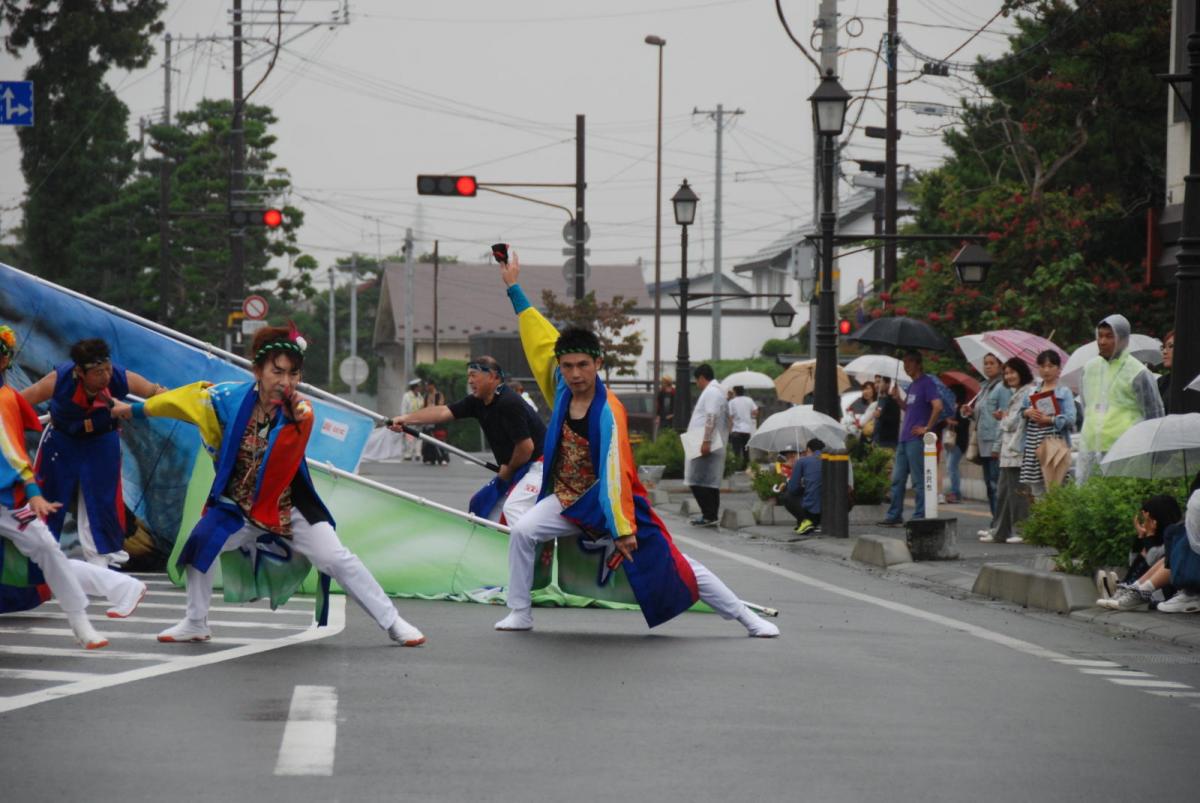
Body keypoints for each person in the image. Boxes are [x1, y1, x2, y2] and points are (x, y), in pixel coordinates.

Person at [493, 252, 778, 637]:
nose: (575, 374)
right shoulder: (561, 387)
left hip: (615, 501)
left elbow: (616, 474)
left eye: (583, 366)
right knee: (524, 531)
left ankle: (747, 617)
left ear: (598, 363)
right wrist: (513, 287)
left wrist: (623, 528)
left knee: (675, 562)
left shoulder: (609, 411)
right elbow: (540, 336)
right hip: (567, 497)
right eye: (568, 366)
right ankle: (520, 611)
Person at [113, 324, 426, 646]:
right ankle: (195, 621)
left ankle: (394, 622)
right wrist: (131, 409)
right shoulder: (225, 399)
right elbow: (180, 402)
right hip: (238, 505)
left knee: (335, 558)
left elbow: (291, 440)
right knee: (199, 545)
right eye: (278, 371)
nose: (286, 382)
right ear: (257, 370)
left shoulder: (300, 411)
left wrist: (294, 421)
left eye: (294, 374)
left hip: (288, 505)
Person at [0, 326, 111, 649]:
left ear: (5, 361)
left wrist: (32, 491)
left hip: (8, 498)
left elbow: (11, 450)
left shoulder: (5, 399)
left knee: (48, 549)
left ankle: (81, 623)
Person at [20, 338, 167, 568]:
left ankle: (100, 562)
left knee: (101, 501)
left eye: (107, 369)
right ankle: (37, 562)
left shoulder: (119, 376)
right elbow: (19, 402)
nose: (106, 376)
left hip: (101, 439)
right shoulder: (60, 379)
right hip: (62, 439)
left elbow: (156, 392)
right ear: (80, 371)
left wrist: (183, 400)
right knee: (48, 496)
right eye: (98, 372)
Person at [389, 355, 546, 527]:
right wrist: (406, 419)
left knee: (513, 509)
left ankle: (538, 552)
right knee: (485, 510)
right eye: (468, 376)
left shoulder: (508, 403)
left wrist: (508, 470)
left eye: (474, 375)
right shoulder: (477, 402)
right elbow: (443, 412)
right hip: (518, 466)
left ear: (493, 376)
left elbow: (526, 447)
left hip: (539, 466)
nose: (470, 381)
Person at [1077, 314, 1164, 482]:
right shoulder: (1089, 369)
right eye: (1100, 335)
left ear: (1124, 340)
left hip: (1125, 450)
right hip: (1090, 447)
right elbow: (1086, 408)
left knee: (1119, 498)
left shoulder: (1138, 372)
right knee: (1088, 500)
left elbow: (1153, 414)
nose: (1102, 341)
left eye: (1109, 336)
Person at [878, 352, 943, 526]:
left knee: (918, 480)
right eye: (904, 362)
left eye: (909, 362)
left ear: (918, 364)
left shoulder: (927, 383)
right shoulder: (913, 385)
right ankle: (894, 515)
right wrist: (898, 399)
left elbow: (937, 406)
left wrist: (927, 428)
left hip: (916, 439)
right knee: (897, 479)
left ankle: (920, 514)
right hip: (904, 438)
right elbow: (910, 409)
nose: (906, 366)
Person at [981, 358, 1036, 543]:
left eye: (1012, 372)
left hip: (1017, 450)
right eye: (1006, 373)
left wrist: (1003, 418)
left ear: (1022, 372)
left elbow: (1013, 422)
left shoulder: (1027, 392)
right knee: (1004, 492)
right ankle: (1000, 531)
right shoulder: (1017, 393)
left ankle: (1022, 531)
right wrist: (1005, 417)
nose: (1009, 376)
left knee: (1017, 493)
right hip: (1009, 450)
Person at [1095, 495, 1181, 608]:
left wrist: (1149, 536)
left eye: (1146, 520)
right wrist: (1140, 537)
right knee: (1143, 555)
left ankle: (1119, 591)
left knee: (1154, 559)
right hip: (1145, 589)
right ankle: (1121, 590)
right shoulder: (1155, 539)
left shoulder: (1174, 538)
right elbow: (1132, 561)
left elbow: (1152, 560)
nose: (1144, 524)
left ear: (1155, 521)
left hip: (1162, 594)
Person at [960, 353, 1010, 526]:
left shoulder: (1003, 387)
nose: (988, 366)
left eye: (992, 363)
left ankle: (999, 523)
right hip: (983, 440)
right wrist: (970, 413)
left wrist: (999, 443)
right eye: (985, 363)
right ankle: (995, 520)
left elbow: (1004, 416)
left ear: (1001, 365)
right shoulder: (984, 387)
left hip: (995, 441)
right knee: (989, 485)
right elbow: (984, 414)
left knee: (996, 484)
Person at [1018, 350, 1075, 499]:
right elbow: (1021, 412)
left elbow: (1071, 419)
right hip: (1033, 446)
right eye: (1042, 366)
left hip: (1054, 445)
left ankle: (1054, 522)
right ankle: (1042, 522)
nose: (1046, 370)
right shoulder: (1032, 391)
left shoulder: (1064, 392)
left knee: (1056, 490)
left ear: (1058, 369)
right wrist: (1027, 412)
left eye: (1050, 366)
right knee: (1037, 492)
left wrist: (1050, 420)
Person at [685, 364, 727, 527]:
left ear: (702, 377)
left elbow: (711, 416)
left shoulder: (711, 392)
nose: (697, 384)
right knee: (708, 481)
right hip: (706, 439)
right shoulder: (717, 391)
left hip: (705, 440)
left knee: (696, 480)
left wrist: (706, 441)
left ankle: (709, 513)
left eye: (697, 380)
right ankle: (710, 514)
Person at [780, 439, 824, 535]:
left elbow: (793, 488)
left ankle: (805, 521)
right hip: (836, 508)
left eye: (792, 454)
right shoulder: (832, 458)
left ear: (808, 450)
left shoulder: (803, 461)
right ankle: (808, 523)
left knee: (787, 495)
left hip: (814, 511)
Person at [943, 384, 969, 504]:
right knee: (950, 467)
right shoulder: (952, 407)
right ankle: (954, 492)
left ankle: (956, 494)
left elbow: (964, 425)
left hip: (959, 442)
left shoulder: (963, 408)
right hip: (951, 441)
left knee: (951, 467)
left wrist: (951, 421)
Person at [726, 385, 758, 471]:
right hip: (747, 430)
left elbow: (730, 418)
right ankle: (746, 466)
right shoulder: (749, 400)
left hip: (736, 430)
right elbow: (755, 412)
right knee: (745, 450)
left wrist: (729, 430)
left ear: (735, 392)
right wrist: (750, 416)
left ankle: (737, 467)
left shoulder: (732, 402)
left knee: (736, 451)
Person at [421, 379, 449, 465]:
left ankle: (443, 458)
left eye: (428, 385)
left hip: (438, 420)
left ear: (432, 385)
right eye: (426, 385)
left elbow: (441, 405)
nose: (427, 387)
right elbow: (423, 407)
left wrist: (433, 408)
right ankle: (429, 458)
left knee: (439, 439)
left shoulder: (439, 395)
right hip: (428, 420)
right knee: (428, 440)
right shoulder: (426, 395)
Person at [872, 375, 901, 449]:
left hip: (888, 443)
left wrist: (880, 416)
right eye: (875, 382)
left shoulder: (892, 400)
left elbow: (894, 419)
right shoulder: (879, 399)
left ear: (888, 384)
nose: (876, 385)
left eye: (879, 382)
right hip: (877, 441)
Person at [399, 378, 425, 461]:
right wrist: (404, 420)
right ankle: (408, 453)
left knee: (419, 437)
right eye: (419, 386)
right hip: (409, 419)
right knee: (409, 437)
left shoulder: (420, 396)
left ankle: (418, 453)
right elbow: (403, 408)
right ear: (415, 387)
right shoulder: (407, 396)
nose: (420, 388)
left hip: (419, 420)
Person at [1157, 330, 1174, 414]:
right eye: (1163, 347)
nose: (1164, 351)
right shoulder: (1161, 382)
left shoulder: (1195, 382)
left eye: (1171, 346)